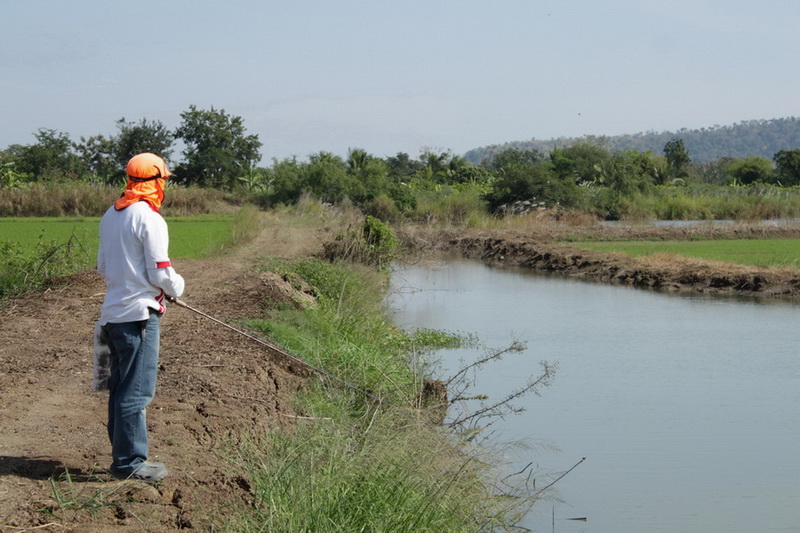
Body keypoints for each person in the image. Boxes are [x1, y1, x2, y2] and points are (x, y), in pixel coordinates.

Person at [97, 152, 185, 483]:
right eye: (164, 180)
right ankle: (130, 463)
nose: (165, 186)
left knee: (120, 388)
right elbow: (161, 272)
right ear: (156, 181)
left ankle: (122, 457)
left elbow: (103, 267)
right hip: (139, 318)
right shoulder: (149, 218)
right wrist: (176, 288)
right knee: (136, 391)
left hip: (112, 316)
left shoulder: (111, 214)